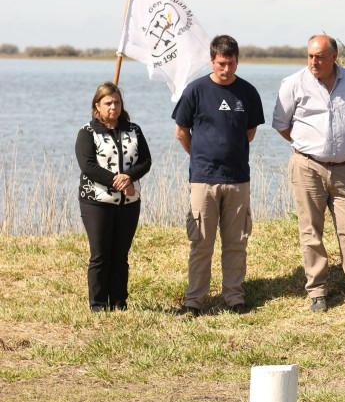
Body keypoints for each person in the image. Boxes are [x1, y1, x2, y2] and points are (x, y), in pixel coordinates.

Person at [271, 34, 345, 313]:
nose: (313, 61)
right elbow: (281, 124)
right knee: (310, 231)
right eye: (310, 56)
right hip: (307, 166)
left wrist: (337, 143)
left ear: (334, 57)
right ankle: (317, 290)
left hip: (344, 170)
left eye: (319, 56)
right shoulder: (293, 83)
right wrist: (309, 144)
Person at [171, 35, 265, 316]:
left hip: (238, 180)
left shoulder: (247, 92)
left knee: (236, 242)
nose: (227, 69)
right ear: (212, 61)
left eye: (232, 63)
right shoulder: (195, 91)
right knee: (201, 242)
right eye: (222, 63)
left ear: (238, 61)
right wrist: (202, 156)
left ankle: (234, 296)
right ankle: (194, 301)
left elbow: (249, 132)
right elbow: (181, 132)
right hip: (203, 179)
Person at [75, 82, 152, 312]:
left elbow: (146, 161)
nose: (113, 107)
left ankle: (119, 303)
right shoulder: (87, 132)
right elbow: (88, 166)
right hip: (96, 202)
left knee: (120, 255)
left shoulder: (134, 130)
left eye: (117, 102)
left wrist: (129, 177)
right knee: (100, 255)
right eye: (108, 103)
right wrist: (117, 181)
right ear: (97, 106)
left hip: (129, 202)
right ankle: (98, 305)